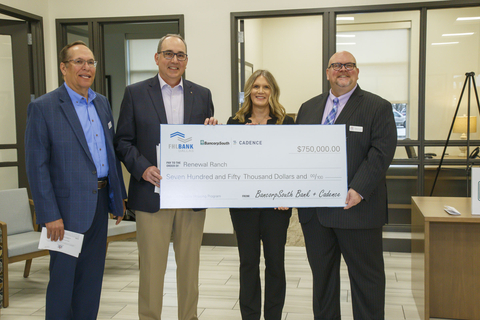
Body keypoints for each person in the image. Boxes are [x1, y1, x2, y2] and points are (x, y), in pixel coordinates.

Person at [114, 34, 217, 320]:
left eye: (180, 55)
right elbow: (123, 141)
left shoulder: (203, 94)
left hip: (190, 197)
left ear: (186, 60)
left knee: (189, 270)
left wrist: (212, 135)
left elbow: (204, 145)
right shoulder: (135, 93)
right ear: (157, 57)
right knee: (151, 270)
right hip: (151, 195)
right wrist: (143, 168)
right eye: (168, 54)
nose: (174, 60)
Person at [25, 40, 126, 319]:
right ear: (63, 67)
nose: (86, 67)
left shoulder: (102, 103)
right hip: (64, 212)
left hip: (99, 205)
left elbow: (109, 153)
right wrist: (49, 214)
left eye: (90, 62)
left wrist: (118, 199)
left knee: (90, 282)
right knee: (62, 283)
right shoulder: (43, 107)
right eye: (79, 62)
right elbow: (37, 166)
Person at [295, 51, 397, 320]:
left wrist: (359, 189)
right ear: (328, 72)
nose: (343, 69)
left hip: (357, 211)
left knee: (367, 284)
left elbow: (381, 152)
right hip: (315, 215)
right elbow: (296, 152)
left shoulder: (378, 107)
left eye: (349, 65)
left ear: (357, 71)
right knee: (323, 284)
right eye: (337, 65)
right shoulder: (308, 108)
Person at [227, 69, 294, 320]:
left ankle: (274, 316)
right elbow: (228, 162)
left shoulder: (286, 122)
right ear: (249, 91)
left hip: (277, 206)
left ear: (273, 92)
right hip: (244, 205)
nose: (260, 91)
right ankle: (250, 316)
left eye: (266, 87)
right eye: (256, 86)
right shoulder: (235, 122)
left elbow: (292, 163)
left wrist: (286, 194)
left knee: (275, 263)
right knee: (248, 263)